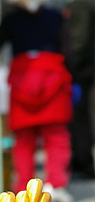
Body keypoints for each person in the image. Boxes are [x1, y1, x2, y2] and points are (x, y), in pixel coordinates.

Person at [0, 0, 74, 202]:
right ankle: (56, 185)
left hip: (22, 81)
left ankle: (24, 189)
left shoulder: (12, 19)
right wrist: (75, 79)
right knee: (56, 137)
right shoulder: (56, 17)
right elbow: (68, 49)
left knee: (24, 140)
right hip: (54, 79)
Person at [64, 0, 95, 179]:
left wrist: (70, 63)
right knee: (79, 116)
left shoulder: (81, 4)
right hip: (83, 67)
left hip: (80, 69)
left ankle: (83, 162)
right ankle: (80, 160)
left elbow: (80, 39)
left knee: (79, 116)